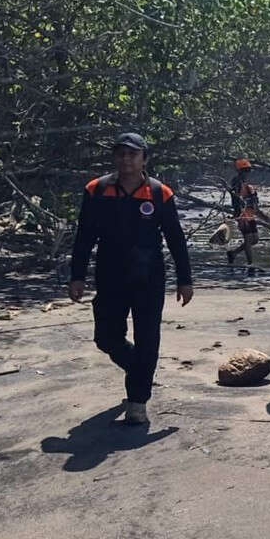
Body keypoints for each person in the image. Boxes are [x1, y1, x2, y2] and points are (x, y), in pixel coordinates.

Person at [68, 133, 193, 424]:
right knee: (106, 338)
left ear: (144, 159)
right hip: (110, 275)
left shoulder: (160, 193)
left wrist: (185, 279)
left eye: (133, 154)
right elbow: (84, 236)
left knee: (148, 339)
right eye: (121, 154)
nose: (126, 159)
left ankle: (138, 402)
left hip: (149, 277)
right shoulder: (96, 190)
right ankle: (138, 369)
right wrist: (77, 276)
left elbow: (176, 239)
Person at [227, 157, 262, 274]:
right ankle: (250, 263)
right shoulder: (236, 181)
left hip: (250, 214)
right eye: (245, 170)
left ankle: (234, 253)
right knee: (248, 239)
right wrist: (240, 200)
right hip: (241, 213)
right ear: (240, 171)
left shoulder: (247, 184)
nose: (248, 173)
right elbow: (235, 195)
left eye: (248, 170)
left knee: (255, 239)